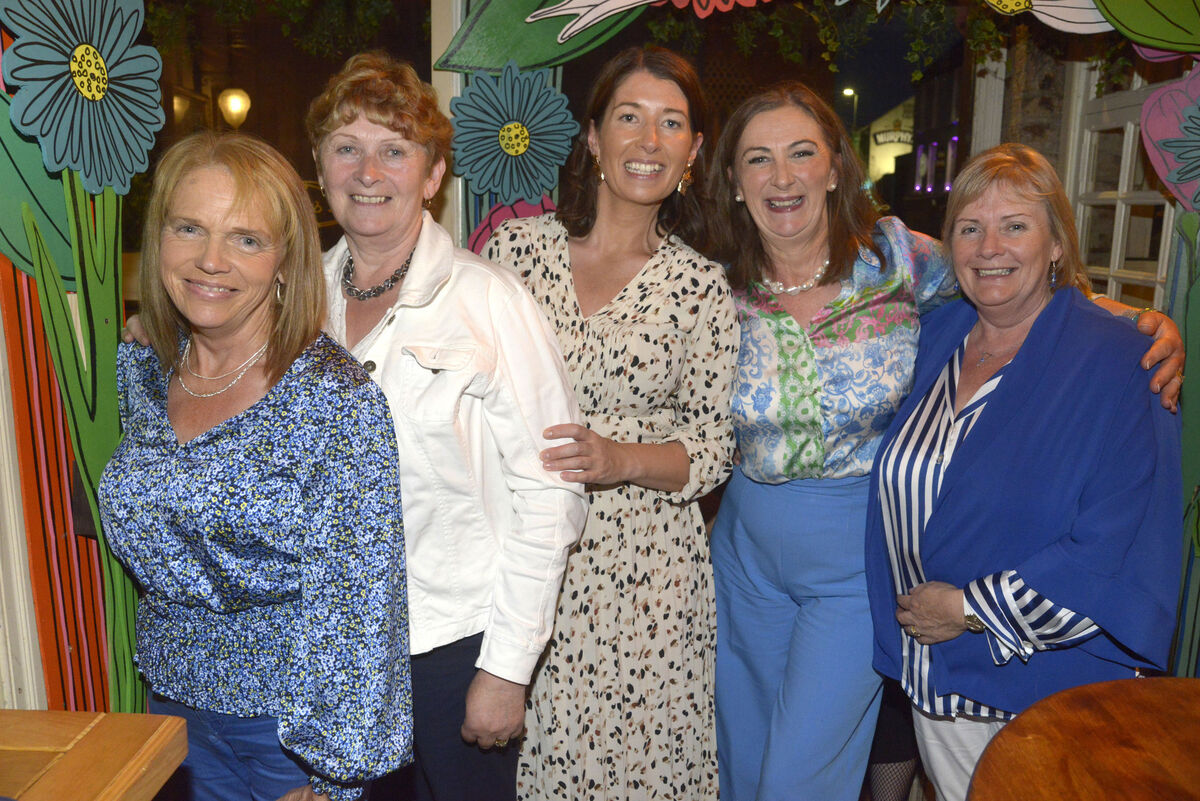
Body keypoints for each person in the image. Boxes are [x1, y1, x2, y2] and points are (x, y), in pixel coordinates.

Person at [704, 83, 1185, 801]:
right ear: (734, 184)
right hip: (742, 551)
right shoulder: (708, 282)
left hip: (847, 558)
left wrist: (1135, 323)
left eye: (802, 153)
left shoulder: (895, 259)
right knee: (740, 765)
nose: (782, 177)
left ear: (835, 168)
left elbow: (1006, 278)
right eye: (758, 159)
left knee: (795, 782)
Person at [305, 52, 588, 801]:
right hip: (336, 649)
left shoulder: (490, 300)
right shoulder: (293, 303)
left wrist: (504, 668)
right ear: (322, 166)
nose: (368, 171)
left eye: (394, 151)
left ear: (432, 176)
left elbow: (552, 493)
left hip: (454, 646)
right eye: (347, 148)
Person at [99, 131, 411, 801]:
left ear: (284, 259)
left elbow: (361, 605)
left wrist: (333, 779)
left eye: (245, 239)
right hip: (171, 717)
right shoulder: (146, 369)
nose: (211, 260)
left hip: (290, 741)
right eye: (190, 228)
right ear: (160, 238)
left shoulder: (336, 399)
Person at [865, 143, 1182, 801]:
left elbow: (1114, 552)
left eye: (1015, 226)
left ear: (1057, 243)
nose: (989, 247)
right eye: (969, 228)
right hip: (935, 679)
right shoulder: (931, 335)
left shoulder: (1122, 364)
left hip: (1047, 689)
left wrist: (967, 608)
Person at [485, 46, 738, 800]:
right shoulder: (514, 253)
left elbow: (713, 446)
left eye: (671, 123)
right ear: (592, 135)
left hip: (647, 577)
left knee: (639, 772)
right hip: (526, 561)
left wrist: (617, 457)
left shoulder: (699, 285)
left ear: (694, 151)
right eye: (628, 117)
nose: (648, 140)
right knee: (530, 766)